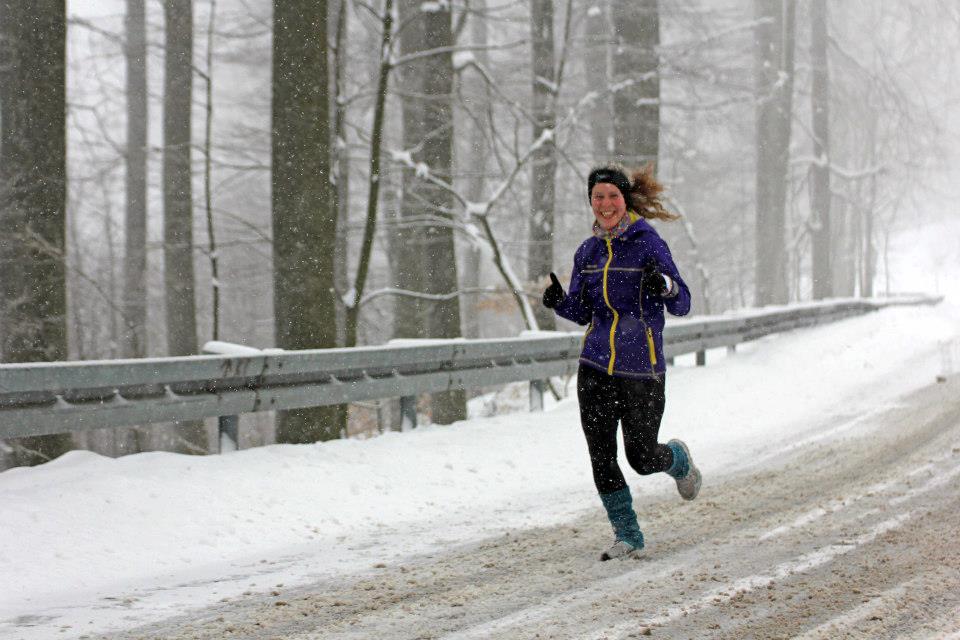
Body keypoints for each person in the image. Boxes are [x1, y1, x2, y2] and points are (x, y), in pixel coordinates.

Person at [542, 163, 701, 561]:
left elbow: (682, 302)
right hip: (595, 367)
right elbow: (583, 311)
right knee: (601, 456)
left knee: (641, 457)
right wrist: (560, 302)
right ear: (591, 202)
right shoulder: (588, 252)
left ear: (624, 199)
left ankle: (678, 460)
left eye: (612, 195)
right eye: (598, 197)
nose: (606, 203)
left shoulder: (648, 244)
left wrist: (663, 285)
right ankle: (627, 535)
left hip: (641, 369)